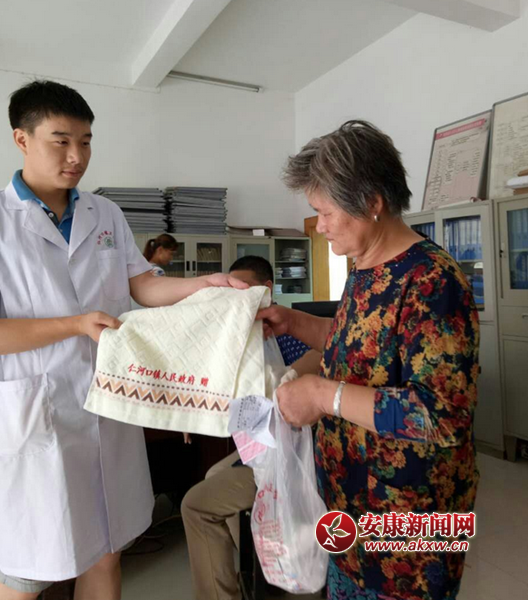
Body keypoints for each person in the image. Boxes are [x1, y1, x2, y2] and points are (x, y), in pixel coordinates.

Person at [0, 80, 246, 600]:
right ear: (21, 139)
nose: (77, 156)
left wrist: (202, 285)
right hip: (37, 416)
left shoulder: (104, 213)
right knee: (28, 571)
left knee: (107, 552)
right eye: (61, 141)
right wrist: (73, 325)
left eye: (86, 141)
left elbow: (143, 285)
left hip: (110, 403)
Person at [259, 121, 480, 600]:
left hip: (409, 526)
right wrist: (293, 322)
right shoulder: (364, 268)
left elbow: (439, 416)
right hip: (349, 507)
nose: (320, 226)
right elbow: (355, 346)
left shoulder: (432, 281)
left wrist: (321, 395)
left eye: (325, 212)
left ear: (372, 203)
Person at [181, 255, 317, 600]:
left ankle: (257, 571)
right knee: (213, 474)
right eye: (232, 290)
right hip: (264, 449)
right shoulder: (239, 336)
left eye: (246, 289)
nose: (238, 298)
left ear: (267, 289)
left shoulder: (284, 331)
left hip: (294, 451)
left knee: (195, 505)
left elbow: (323, 356)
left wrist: (292, 378)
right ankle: (254, 566)